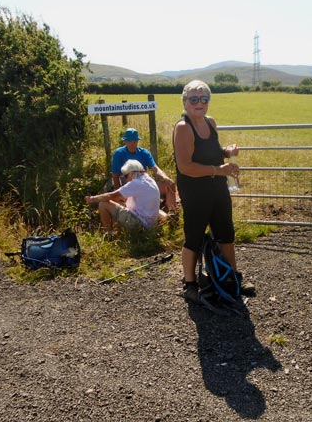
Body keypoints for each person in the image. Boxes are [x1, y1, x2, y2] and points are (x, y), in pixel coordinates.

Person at [173, 80, 255, 303]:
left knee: (226, 233)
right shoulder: (183, 128)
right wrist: (219, 169)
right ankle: (189, 284)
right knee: (194, 236)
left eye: (204, 98)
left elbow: (212, 151)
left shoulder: (210, 122)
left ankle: (232, 278)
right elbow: (185, 167)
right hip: (195, 191)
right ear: (185, 101)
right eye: (194, 99)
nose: (199, 103)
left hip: (217, 187)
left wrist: (226, 152)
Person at [85, 159, 166, 232]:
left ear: (132, 174)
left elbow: (111, 195)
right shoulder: (149, 180)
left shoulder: (135, 183)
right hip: (150, 222)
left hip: (140, 223)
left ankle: (108, 234)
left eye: (126, 176)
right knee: (118, 203)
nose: (126, 179)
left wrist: (92, 199)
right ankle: (118, 230)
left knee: (103, 204)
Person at [112, 128, 178, 213]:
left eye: (135, 141)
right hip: (129, 187)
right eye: (130, 141)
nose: (132, 144)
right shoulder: (119, 153)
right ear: (125, 142)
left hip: (144, 185)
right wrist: (120, 194)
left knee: (169, 185)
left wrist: (166, 178)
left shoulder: (144, 152)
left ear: (138, 141)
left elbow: (155, 169)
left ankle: (171, 213)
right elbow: (115, 175)